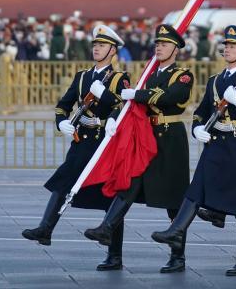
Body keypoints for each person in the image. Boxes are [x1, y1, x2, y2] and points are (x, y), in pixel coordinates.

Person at [151, 25, 236, 276]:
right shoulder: (216, 80)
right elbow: (201, 112)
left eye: (232, 46)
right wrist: (197, 128)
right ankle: (176, 231)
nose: (227, 49)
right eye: (225, 45)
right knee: (196, 189)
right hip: (216, 141)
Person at [82, 24, 194, 273]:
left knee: (174, 199)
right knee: (129, 182)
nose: (159, 47)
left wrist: (137, 94)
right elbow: (135, 99)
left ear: (175, 49)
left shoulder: (182, 74)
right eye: (157, 44)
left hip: (170, 138)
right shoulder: (149, 75)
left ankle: (178, 256)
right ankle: (107, 230)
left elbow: (168, 96)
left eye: (164, 44)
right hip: (146, 136)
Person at [22, 25, 130, 250]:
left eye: (102, 46)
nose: (97, 49)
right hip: (82, 140)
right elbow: (63, 105)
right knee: (63, 181)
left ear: (112, 50)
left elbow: (123, 106)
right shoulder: (83, 77)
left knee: (109, 194)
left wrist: (106, 97)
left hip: (104, 142)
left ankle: (114, 254)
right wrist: (62, 122)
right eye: (95, 45)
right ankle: (45, 229)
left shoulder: (120, 78)